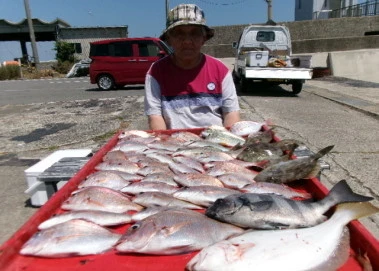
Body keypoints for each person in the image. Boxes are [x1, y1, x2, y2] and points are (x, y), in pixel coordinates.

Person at [144, 3, 240, 130]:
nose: (187, 41)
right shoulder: (156, 72)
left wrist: (228, 143)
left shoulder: (220, 70)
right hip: (174, 143)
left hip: (215, 142)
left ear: (204, 38)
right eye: (179, 34)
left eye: (194, 33)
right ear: (169, 39)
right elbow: (155, 117)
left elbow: (231, 113)